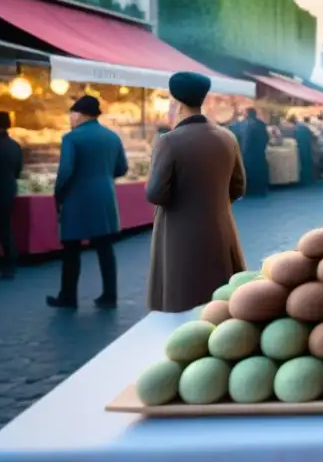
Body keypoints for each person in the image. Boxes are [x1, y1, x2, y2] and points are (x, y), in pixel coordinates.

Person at [146, 72, 246, 312]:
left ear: (177, 103)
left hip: (179, 236)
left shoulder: (169, 141)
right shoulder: (227, 137)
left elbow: (156, 194)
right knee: (221, 303)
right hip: (221, 230)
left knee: (182, 303)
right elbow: (239, 187)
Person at [50, 96, 128, 309]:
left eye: (71, 114)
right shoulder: (112, 137)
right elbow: (122, 168)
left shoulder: (72, 138)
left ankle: (68, 297)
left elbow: (65, 171)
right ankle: (109, 295)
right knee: (105, 248)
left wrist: (59, 194)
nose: (70, 118)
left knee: (71, 249)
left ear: (79, 114)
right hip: (104, 198)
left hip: (77, 200)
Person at [0, 111, 22, 279]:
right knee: (4, 229)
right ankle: (10, 265)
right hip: (8, 191)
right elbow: (18, 172)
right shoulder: (15, 146)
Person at [241, 108, 269, 197]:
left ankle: (251, 190)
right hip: (260, 151)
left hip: (250, 153)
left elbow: (246, 140)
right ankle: (261, 189)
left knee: (250, 171)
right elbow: (266, 137)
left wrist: (243, 152)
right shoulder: (261, 124)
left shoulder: (248, 125)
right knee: (260, 169)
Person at [293, 118, 315, 185]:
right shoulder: (305, 128)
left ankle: (304, 179)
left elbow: (295, 139)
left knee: (302, 162)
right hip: (307, 147)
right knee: (308, 162)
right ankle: (309, 179)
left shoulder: (297, 129)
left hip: (301, 147)